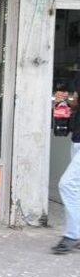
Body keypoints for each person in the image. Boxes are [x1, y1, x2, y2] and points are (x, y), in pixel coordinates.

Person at [52, 81, 80, 254]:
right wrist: (64, 102)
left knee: (67, 184)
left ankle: (72, 234)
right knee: (76, 188)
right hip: (76, 142)